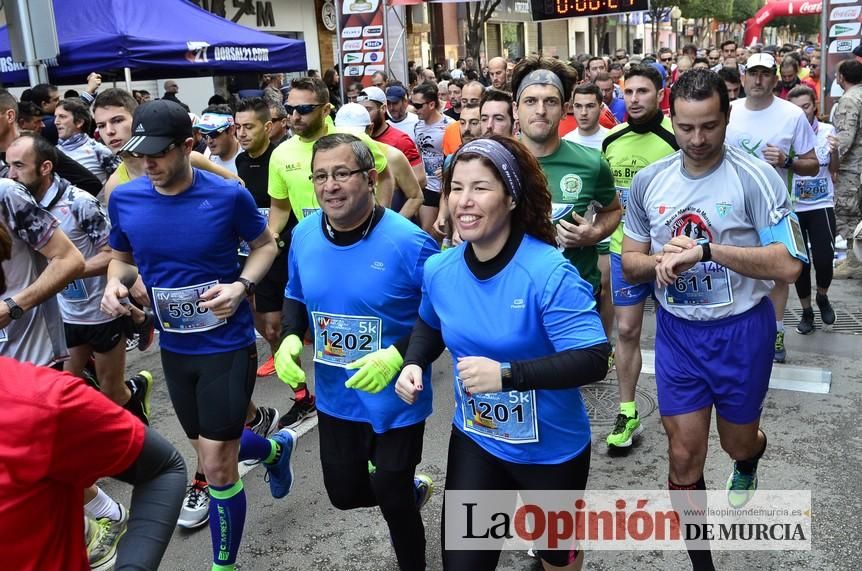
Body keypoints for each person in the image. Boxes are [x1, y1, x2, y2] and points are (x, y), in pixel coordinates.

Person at [395, 135, 610, 571]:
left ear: (510, 199)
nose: (465, 201)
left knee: (557, 556)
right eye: (456, 188)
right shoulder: (441, 268)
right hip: (478, 437)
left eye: (481, 188)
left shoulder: (547, 270)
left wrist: (508, 374)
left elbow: (593, 357)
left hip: (551, 449)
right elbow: (429, 324)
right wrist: (414, 362)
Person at [622, 69, 805, 570]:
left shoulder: (756, 177)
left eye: (708, 127)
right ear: (672, 121)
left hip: (742, 331)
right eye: (685, 128)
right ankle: (702, 564)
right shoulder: (649, 182)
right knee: (683, 455)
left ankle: (749, 458)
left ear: (727, 119)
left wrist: (706, 252)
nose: (697, 140)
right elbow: (629, 260)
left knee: (736, 440)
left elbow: (789, 263)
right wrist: (660, 260)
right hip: (679, 334)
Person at [101, 100, 296, 570]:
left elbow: (264, 245)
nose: (147, 164)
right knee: (209, 448)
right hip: (176, 346)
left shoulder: (227, 196)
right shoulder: (126, 198)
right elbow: (122, 258)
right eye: (138, 153)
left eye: (158, 154)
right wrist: (115, 282)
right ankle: (273, 447)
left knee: (216, 467)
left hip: (226, 345)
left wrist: (241, 285)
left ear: (188, 146)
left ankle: (223, 565)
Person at [274, 132, 437, 571]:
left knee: (392, 493)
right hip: (338, 397)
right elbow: (295, 293)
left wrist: (399, 355)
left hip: (397, 397)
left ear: (369, 178)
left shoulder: (410, 243)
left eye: (342, 174)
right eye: (320, 176)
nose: (330, 186)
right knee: (344, 495)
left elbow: (441, 316)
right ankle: (404, 490)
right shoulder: (305, 234)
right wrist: (290, 336)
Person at [268, 77, 393, 430]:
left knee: (370, 325)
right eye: (289, 109)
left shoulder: (353, 143)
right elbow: (279, 207)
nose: (294, 116)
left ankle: (381, 430)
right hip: (312, 249)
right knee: (327, 337)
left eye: (304, 109)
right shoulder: (281, 154)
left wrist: (381, 222)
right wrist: (271, 236)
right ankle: (331, 410)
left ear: (326, 110)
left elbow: (383, 176)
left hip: (362, 245)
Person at [5, 133, 153, 423]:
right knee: (65, 390)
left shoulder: (78, 202)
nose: (11, 174)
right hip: (63, 316)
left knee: (112, 390)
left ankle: (143, 447)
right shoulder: (17, 207)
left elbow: (114, 254)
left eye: (19, 166)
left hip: (101, 314)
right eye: (8, 166)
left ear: (45, 167)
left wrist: (65, 268)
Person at [1, 352, 186, 571]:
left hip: (60, 356)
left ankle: (133, 397)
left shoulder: (37, 401)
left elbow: (163, 468)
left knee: (112, 389)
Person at [602, 64, 679, 449]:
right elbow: (606, 200)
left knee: (674, 332)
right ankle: (628, 411)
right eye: (628, 92)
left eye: (642, 92)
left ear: (660, 94)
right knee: (628, 330)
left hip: (670, 254)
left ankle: (678, 407)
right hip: (623, 251)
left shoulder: (675, 138)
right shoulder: (611, 140)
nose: (634, 99)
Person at [726, 52, 818, 363]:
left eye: (765, 74)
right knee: (734, 266)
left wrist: (787, 160)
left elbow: (813, 165)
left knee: (780, 273)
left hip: (776, 207)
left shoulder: (792, 115)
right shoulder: (730, 111)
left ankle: (776, 331)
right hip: (731, 204)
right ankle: (737, 330)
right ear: (743, 77)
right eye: (753, 73)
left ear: (775, 79)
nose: (758, 80)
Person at [233, 96, 294, 424]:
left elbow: (283, 206)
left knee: (275, 320)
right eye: (237, 127)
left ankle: (299, 388)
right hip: (254, 249)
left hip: (283, 247)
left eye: (249, 127)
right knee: (263, 320)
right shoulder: (242, 162)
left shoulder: (280, 157)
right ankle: (279, 350)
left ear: (268, 127)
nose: (241, 133)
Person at [786, 85, 839, 333]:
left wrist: (835, 150)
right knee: (801, 263)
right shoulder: (785, 134)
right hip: (795, 207)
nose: (802, 112)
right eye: (796, 109)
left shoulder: (827, 131)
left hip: (821, 205)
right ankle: (806, 312)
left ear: (814, 105)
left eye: (806, 106)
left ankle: (822, 296)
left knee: (825, 259)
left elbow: (834, 170)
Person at [564, 83, 614, 340]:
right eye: (578, 106)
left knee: (606, 288)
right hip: (575, 232)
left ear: (601, 106)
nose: (583, 113)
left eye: (590, 106)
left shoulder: (613, 138)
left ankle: (603, 342)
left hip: (606, 225)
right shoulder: (565, 142)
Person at [0, 90, 102, 196]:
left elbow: (91, 184)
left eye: (18, 165)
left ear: (10, 116)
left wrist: (48, 207)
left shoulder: (34, 146)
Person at [411, 82, 454, 235]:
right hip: (428, 186)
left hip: (447, 187)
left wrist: (449, 169)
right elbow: (419, 154)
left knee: (447, 235)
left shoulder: (449, 125)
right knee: (427, 233)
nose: (415, 109)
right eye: (413, 104)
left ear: (431, 104)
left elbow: (459, 155)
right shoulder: (417, 126)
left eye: (418, 105)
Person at [832, 60, 862, 279]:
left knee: (847, 214)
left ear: (842, 77)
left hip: (852, 168)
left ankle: (855, 261)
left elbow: (844, 137)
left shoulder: (850, 99)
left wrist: (830, 161)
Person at [54, 98, 120, 183]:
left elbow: (122, 184)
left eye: (62, 117)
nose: (56, 122)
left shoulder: (99, 151)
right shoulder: (52, 152)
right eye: (55, 117)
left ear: (79, 122)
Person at [196, 104, 242, 174]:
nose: (209, 141)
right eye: (204, 135)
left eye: (213, 134)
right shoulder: (207, 155)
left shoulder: (247, 155)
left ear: (231, 130)